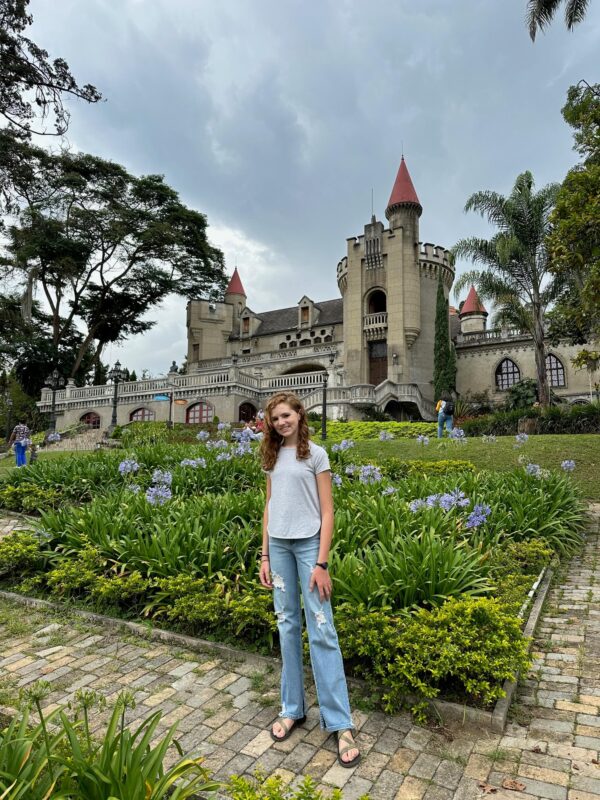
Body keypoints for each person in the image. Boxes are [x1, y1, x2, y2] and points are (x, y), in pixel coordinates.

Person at [258, 392, 360, 768]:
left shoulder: (316, 455)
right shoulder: (270, 457)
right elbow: (268, 507)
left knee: (322, 628)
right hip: (279, 548)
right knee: (286, 625)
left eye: (286, 415)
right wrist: (264, 554)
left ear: (300, 416)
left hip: (309, 549)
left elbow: (328, 510)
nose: (281, 422)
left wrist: (322, 562)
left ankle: (340, 723)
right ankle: (292, 708)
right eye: (275, 419)